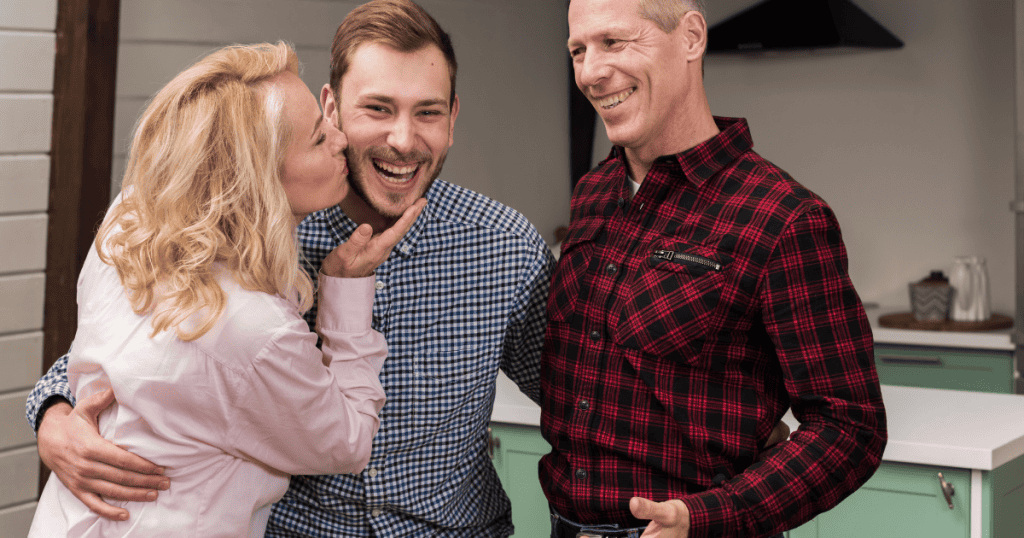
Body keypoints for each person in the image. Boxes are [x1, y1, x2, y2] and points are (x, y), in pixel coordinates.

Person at [25, 1, 554, 536]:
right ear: (331, 110)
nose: (402, 139)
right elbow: (127, 353)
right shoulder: (244, 237)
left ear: (453, 118)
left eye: (428, 112)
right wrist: (52, 416)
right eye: (377, 108)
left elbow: (581, 400)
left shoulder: (505, 246)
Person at [539, 1, 888, 537]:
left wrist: (711, 517)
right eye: (578, 51)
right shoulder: (592, 194)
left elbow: (850, 426)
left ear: (691, 37)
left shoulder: (783, 216)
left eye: (614, 42)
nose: (589, 71)